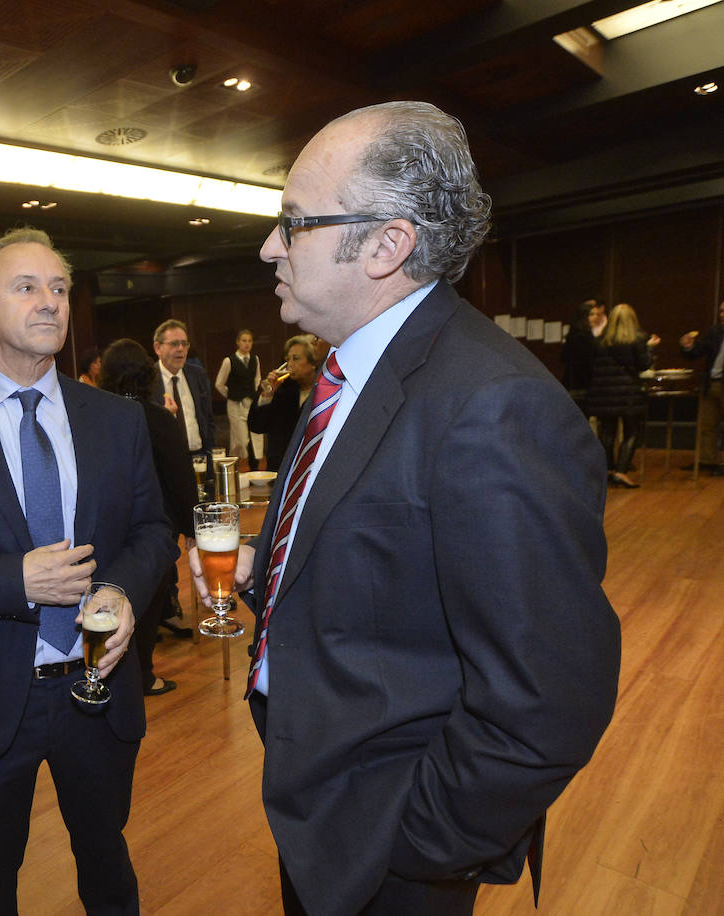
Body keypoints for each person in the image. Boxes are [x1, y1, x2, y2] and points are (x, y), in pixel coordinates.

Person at [190, 101, 620, 916]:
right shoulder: (348, 373)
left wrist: (412, 844)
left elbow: (546, 704)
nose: (268, 247)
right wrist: (262, 573)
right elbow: (390, 573)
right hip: (318, 798)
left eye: (294, 223)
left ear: (388, 244)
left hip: (390, 844)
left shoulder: (494, 406)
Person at [0, 227, 176, 915]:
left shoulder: (116, 421)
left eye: (58, 288)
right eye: (26, 287)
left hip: (96, 688)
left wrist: (122, 590)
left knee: (108, 860)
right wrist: (14, 583)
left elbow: (152, 532)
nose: (49, 302)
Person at [100, 337, 197, 696]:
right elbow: (180, 477)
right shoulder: (157, 419)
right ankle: (141, 676)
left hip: (107, 526)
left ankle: (107, 669)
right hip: (154, 528)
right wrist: (192, 528)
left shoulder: (95, 419)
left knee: (111, 597)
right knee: (148, 600)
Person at [584, 303, 658, 488]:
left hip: (603, 393)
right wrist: (649, 348)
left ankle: (608, 469)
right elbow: (643, 365)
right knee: (632, 432)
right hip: (628, 393)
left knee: (607, 432)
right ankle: (622, 471)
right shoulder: (638, 339)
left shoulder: (600, 340)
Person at [247, 334, 319, 471]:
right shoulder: (283, 391)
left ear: (313, 363)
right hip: (281, 470)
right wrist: (268, 394)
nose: (290, 364)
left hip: (312, 469)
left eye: (296, 359)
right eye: (288, 359)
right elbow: (257, 426)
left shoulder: (324, 393)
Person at [152, 319, 214, 459]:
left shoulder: (198, 375)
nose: (180, 349)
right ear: (157, 348)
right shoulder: (148, 379)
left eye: (184, 344)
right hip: (166, 459)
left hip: (199, 457)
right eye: (174, 344)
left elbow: (208, 418)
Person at [680, 298, 724, 474]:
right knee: (707, 425)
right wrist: (688, 347)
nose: (722, 315)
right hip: (712, 384)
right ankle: (707, 461)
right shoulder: (715, 332)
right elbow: (697, 352)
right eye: (721, 311)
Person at [215, 329, 262, 468]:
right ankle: (236, 464)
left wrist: (253, 390)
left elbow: (257, 377)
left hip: (250, 401)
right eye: (244, 341)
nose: (247, 344)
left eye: (249, 341)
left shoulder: (255, 359)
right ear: (237, 342)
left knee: (254, 434)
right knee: (240, 438)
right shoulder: (229, 361)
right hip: (235, 403)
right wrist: (231, 394)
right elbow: (219, 383)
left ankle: (253, 465)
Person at [560, 298, 600, 411]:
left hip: (575, 384)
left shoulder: (574, 334)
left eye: (597, 314)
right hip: (581, 385)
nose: (596, 317)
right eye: (592, 314)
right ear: (584, 317)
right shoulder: (583, 337)